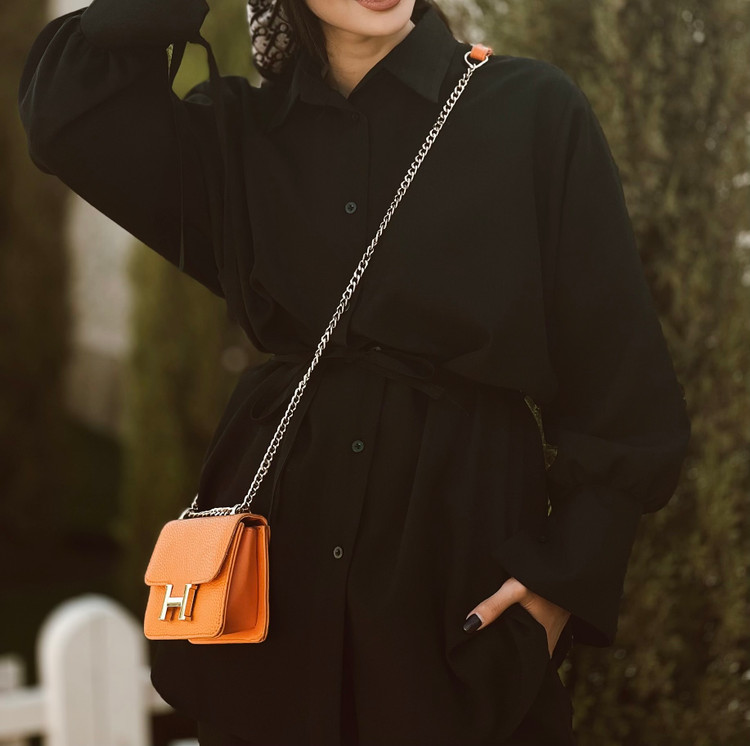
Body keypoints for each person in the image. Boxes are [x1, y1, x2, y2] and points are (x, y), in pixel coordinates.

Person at [18, 0, 691, 743]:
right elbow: (66, 114)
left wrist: (554, 589)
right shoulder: (239, 133)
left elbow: (625, 398)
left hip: (456, 574)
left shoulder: (530, 109)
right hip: (276, 573)